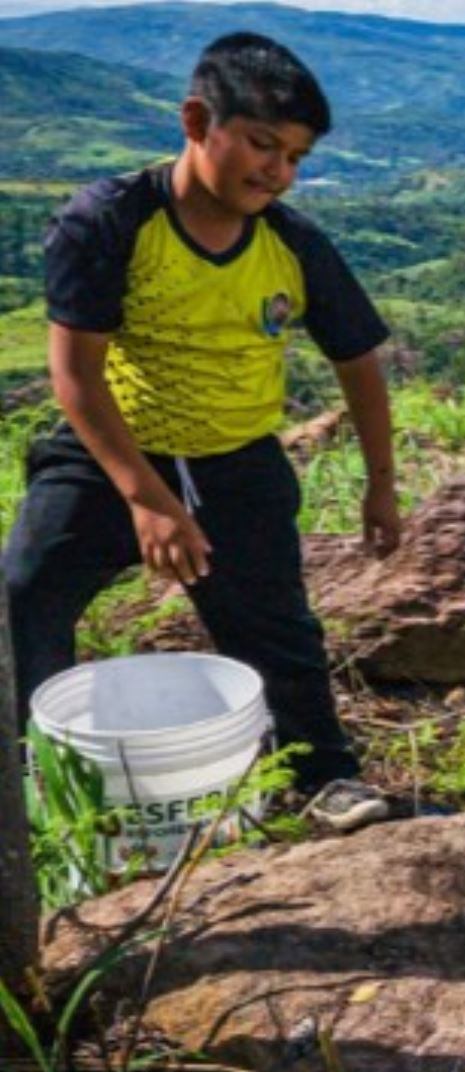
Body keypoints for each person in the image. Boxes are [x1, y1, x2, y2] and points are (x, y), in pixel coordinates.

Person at [3, 33, 399, 829]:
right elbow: (76, 377)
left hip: (237, 461)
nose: (276, 171)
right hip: (111, 450)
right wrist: (147, 499)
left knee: (276, 626)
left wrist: (381, 484)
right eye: (261, 144)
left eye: (295, 156)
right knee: (24, 595)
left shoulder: (292, 246)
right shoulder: (110, 221)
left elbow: (359, 359)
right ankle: (29, 780)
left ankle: (324, 775)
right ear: (196, 120)